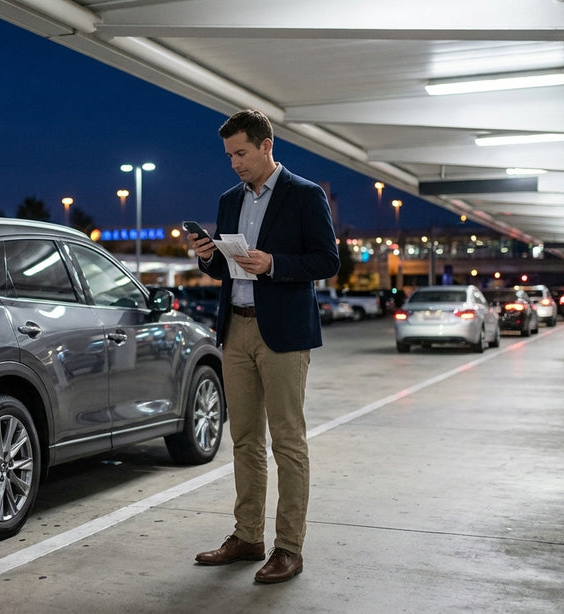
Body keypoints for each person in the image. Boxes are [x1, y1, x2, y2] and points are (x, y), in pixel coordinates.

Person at [188, 109, 339, 584]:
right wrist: (209, 257)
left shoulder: (305, 194)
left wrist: (274, 263)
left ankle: (288, 547)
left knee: (288, 443)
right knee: (244, 441)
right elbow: (229, 271)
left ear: (266, 145)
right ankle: (247, 536)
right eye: (229, 155)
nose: (234, 163)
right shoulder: (229, 199)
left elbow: (327, 260)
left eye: (241, 153)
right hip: (236, 329)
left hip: (283, 335)